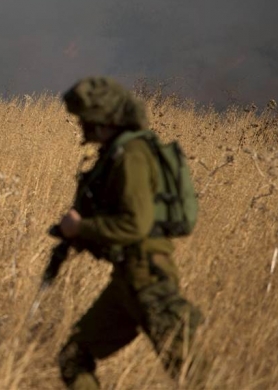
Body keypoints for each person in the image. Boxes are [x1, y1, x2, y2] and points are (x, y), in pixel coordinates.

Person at [55, 76, 203, 389]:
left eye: (86, 118)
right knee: (73, 357)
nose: (81, 124)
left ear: (104, 118)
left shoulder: (132, 155)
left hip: (148, 278)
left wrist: (80, 227)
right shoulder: (115, 153)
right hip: (127, 279)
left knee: (192, 373)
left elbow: (134, 224)